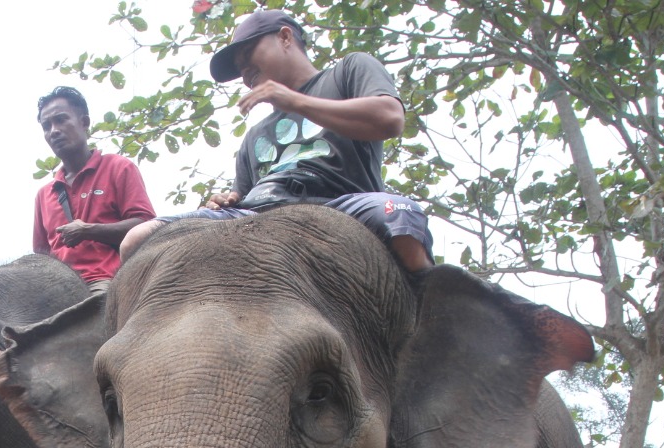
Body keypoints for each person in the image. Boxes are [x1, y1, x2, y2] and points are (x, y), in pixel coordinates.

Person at [119, 10, 433, 273]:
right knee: (138, 238)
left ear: (284, 38)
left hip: (341, 203)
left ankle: (429, 317)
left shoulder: (348, 71)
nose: (245, 74)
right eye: (240, 70)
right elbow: (241, 196)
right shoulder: (253, 137)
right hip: (258, 213)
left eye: (248, 57)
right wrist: (225, 200)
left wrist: (296, 101)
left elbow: (389, 118)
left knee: (401, 213)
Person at [32, 86, 155, 292]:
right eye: (46, 126)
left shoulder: (118, 167)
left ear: (84, 122)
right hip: (57, 289)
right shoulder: (44, 194)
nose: (53, 131)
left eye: (61, 120)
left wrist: (89, 231)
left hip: (108, 280)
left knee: (97, 304)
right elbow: (41, 255)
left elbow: (147, 227)